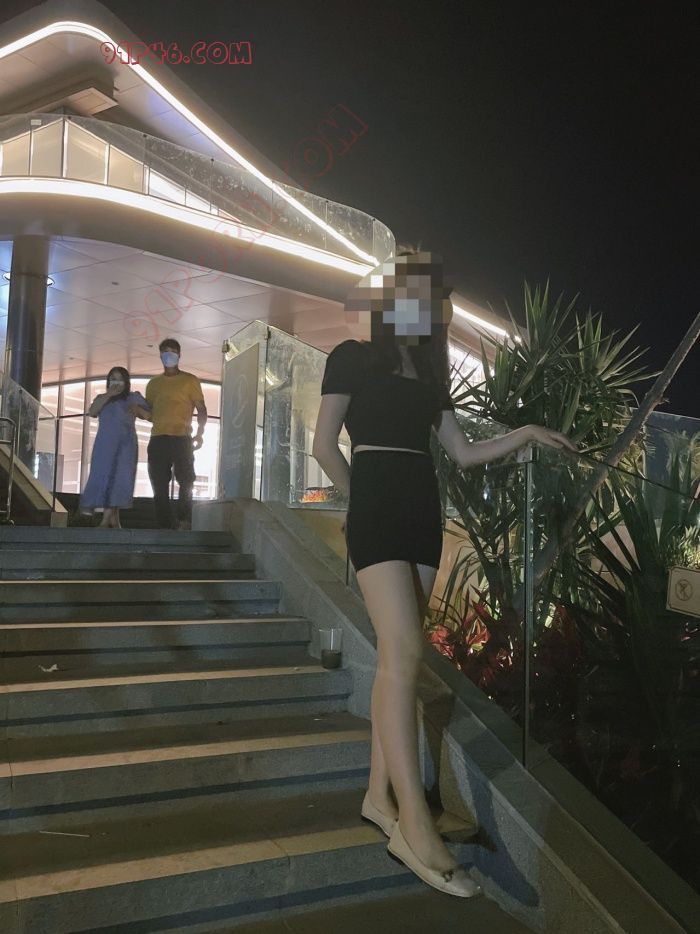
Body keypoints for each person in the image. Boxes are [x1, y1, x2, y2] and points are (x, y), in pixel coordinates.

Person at [312, 251, 577, 898]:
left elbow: (461, 452)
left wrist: (525, 433)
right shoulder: (351, 356)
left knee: (400, 657)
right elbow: (323, 445)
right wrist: (358, 502)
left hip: (422, 512)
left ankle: (378, 796)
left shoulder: (430, 373)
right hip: (377, 507)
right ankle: (413, 823)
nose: (431, 311)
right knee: (403, 652)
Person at [133, 339, 207, 530]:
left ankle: (184, 520)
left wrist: (200, 433)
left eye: (172, 352)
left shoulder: (190, 380)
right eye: (165, 352)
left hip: (182, 438)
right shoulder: (153, 384)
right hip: (158, 439)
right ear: (160, 355)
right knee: (158, 484)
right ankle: (165, 525)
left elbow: (201, 409)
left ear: (179, 355)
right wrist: (138, 410)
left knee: (186, 481)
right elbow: (152, 414)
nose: (169, 355)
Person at [80, 367, 151, 529]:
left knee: (119, 478)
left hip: (125, 445)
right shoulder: (102, 398)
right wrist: (108, 395)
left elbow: (149, 414)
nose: (116, 382)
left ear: (126, 382)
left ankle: (106, 521)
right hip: (104, 445)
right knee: (103, 476)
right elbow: (92, 411)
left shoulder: (133, 397)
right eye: (113, 378)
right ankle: (114, 521)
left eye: (120, 379)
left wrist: (138, 410)